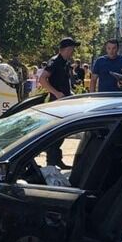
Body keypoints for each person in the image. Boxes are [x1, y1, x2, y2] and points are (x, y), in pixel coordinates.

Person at [38, 37, 80, 168]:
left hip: (65, 101)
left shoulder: (65, 62)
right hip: (57, 102)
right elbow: (42, 79)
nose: (72, 52)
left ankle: (57, 160)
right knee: (55, 133)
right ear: (65, 49)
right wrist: (56, 93)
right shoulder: (55, 62)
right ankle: (51, 162)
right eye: (71, 49)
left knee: (61, 132)